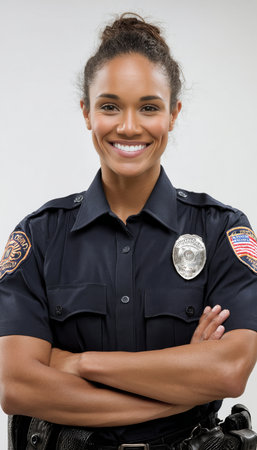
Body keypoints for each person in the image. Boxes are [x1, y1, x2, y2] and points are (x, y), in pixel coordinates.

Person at [0, 12, 257, 450]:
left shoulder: (221, 231)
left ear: (174, 113)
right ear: (86, 112)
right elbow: (17, 386)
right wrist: (181, 390)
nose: (129, 126)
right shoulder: (40, 237)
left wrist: (78, 364)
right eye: (110, 105)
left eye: (149, 107)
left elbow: (228, 372)